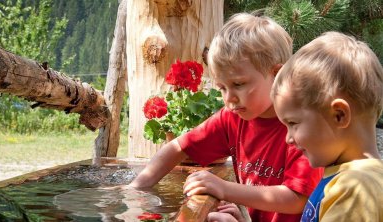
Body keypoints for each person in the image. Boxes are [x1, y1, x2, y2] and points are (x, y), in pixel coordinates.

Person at [130, 12, 322, 222]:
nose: (229, 98)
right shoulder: (233, 118)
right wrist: (136, 190)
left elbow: (297, 199)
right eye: (222, 87)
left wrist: (224, 188)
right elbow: (178, 148)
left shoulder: (300, 126)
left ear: (277, 75)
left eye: (238, 84)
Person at [271, 31, 383, 222]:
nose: (288, 138)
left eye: (293, 123)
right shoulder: (346, 178)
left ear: (339, 115)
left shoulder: (355, 188)